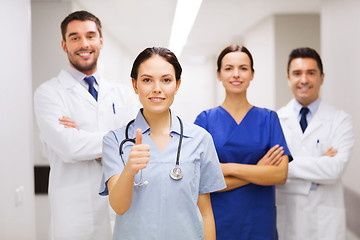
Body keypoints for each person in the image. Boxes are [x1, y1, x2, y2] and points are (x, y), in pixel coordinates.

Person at [99, 47, 226, 240]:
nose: (157, 88)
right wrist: (129, 170)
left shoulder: (200, 139)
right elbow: (118, 206)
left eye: (166, 80)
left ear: (177, 84)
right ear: (134, 85)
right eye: (147, 80)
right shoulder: (115, 141)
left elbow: (206, 212)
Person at [34, 10, 138, 240]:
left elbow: (136, 143)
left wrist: (83, 136)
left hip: (120, 205)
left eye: (90, 35)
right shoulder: (48, 93)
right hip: (74, 212)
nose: (84, 44)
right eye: (75, 37)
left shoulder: (123, 93)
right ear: (64, 45)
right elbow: (69, 147)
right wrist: (116, 142)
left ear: (101, 40)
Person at [194, 44, 292, 240]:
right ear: (219, 74)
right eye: (229, 68)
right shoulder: (205, 120)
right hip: (219, 223)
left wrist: (227, 168)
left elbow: (280, 174)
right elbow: (201, 181)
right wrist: (259, 170)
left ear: (252, 74)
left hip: (260, 223)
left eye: (243, 68)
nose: (236, 74)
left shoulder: (269, 119)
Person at [276, 47, 354, 240]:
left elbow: (334, 169)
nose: (304, 80)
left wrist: (285, 165)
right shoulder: (275, 120)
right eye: (297, 73)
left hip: (325, 223)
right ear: (288, 78)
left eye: (311, 73)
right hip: (288, 218)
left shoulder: (340, 120)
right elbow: (270, 172)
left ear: (322, 77)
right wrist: (318, 164)